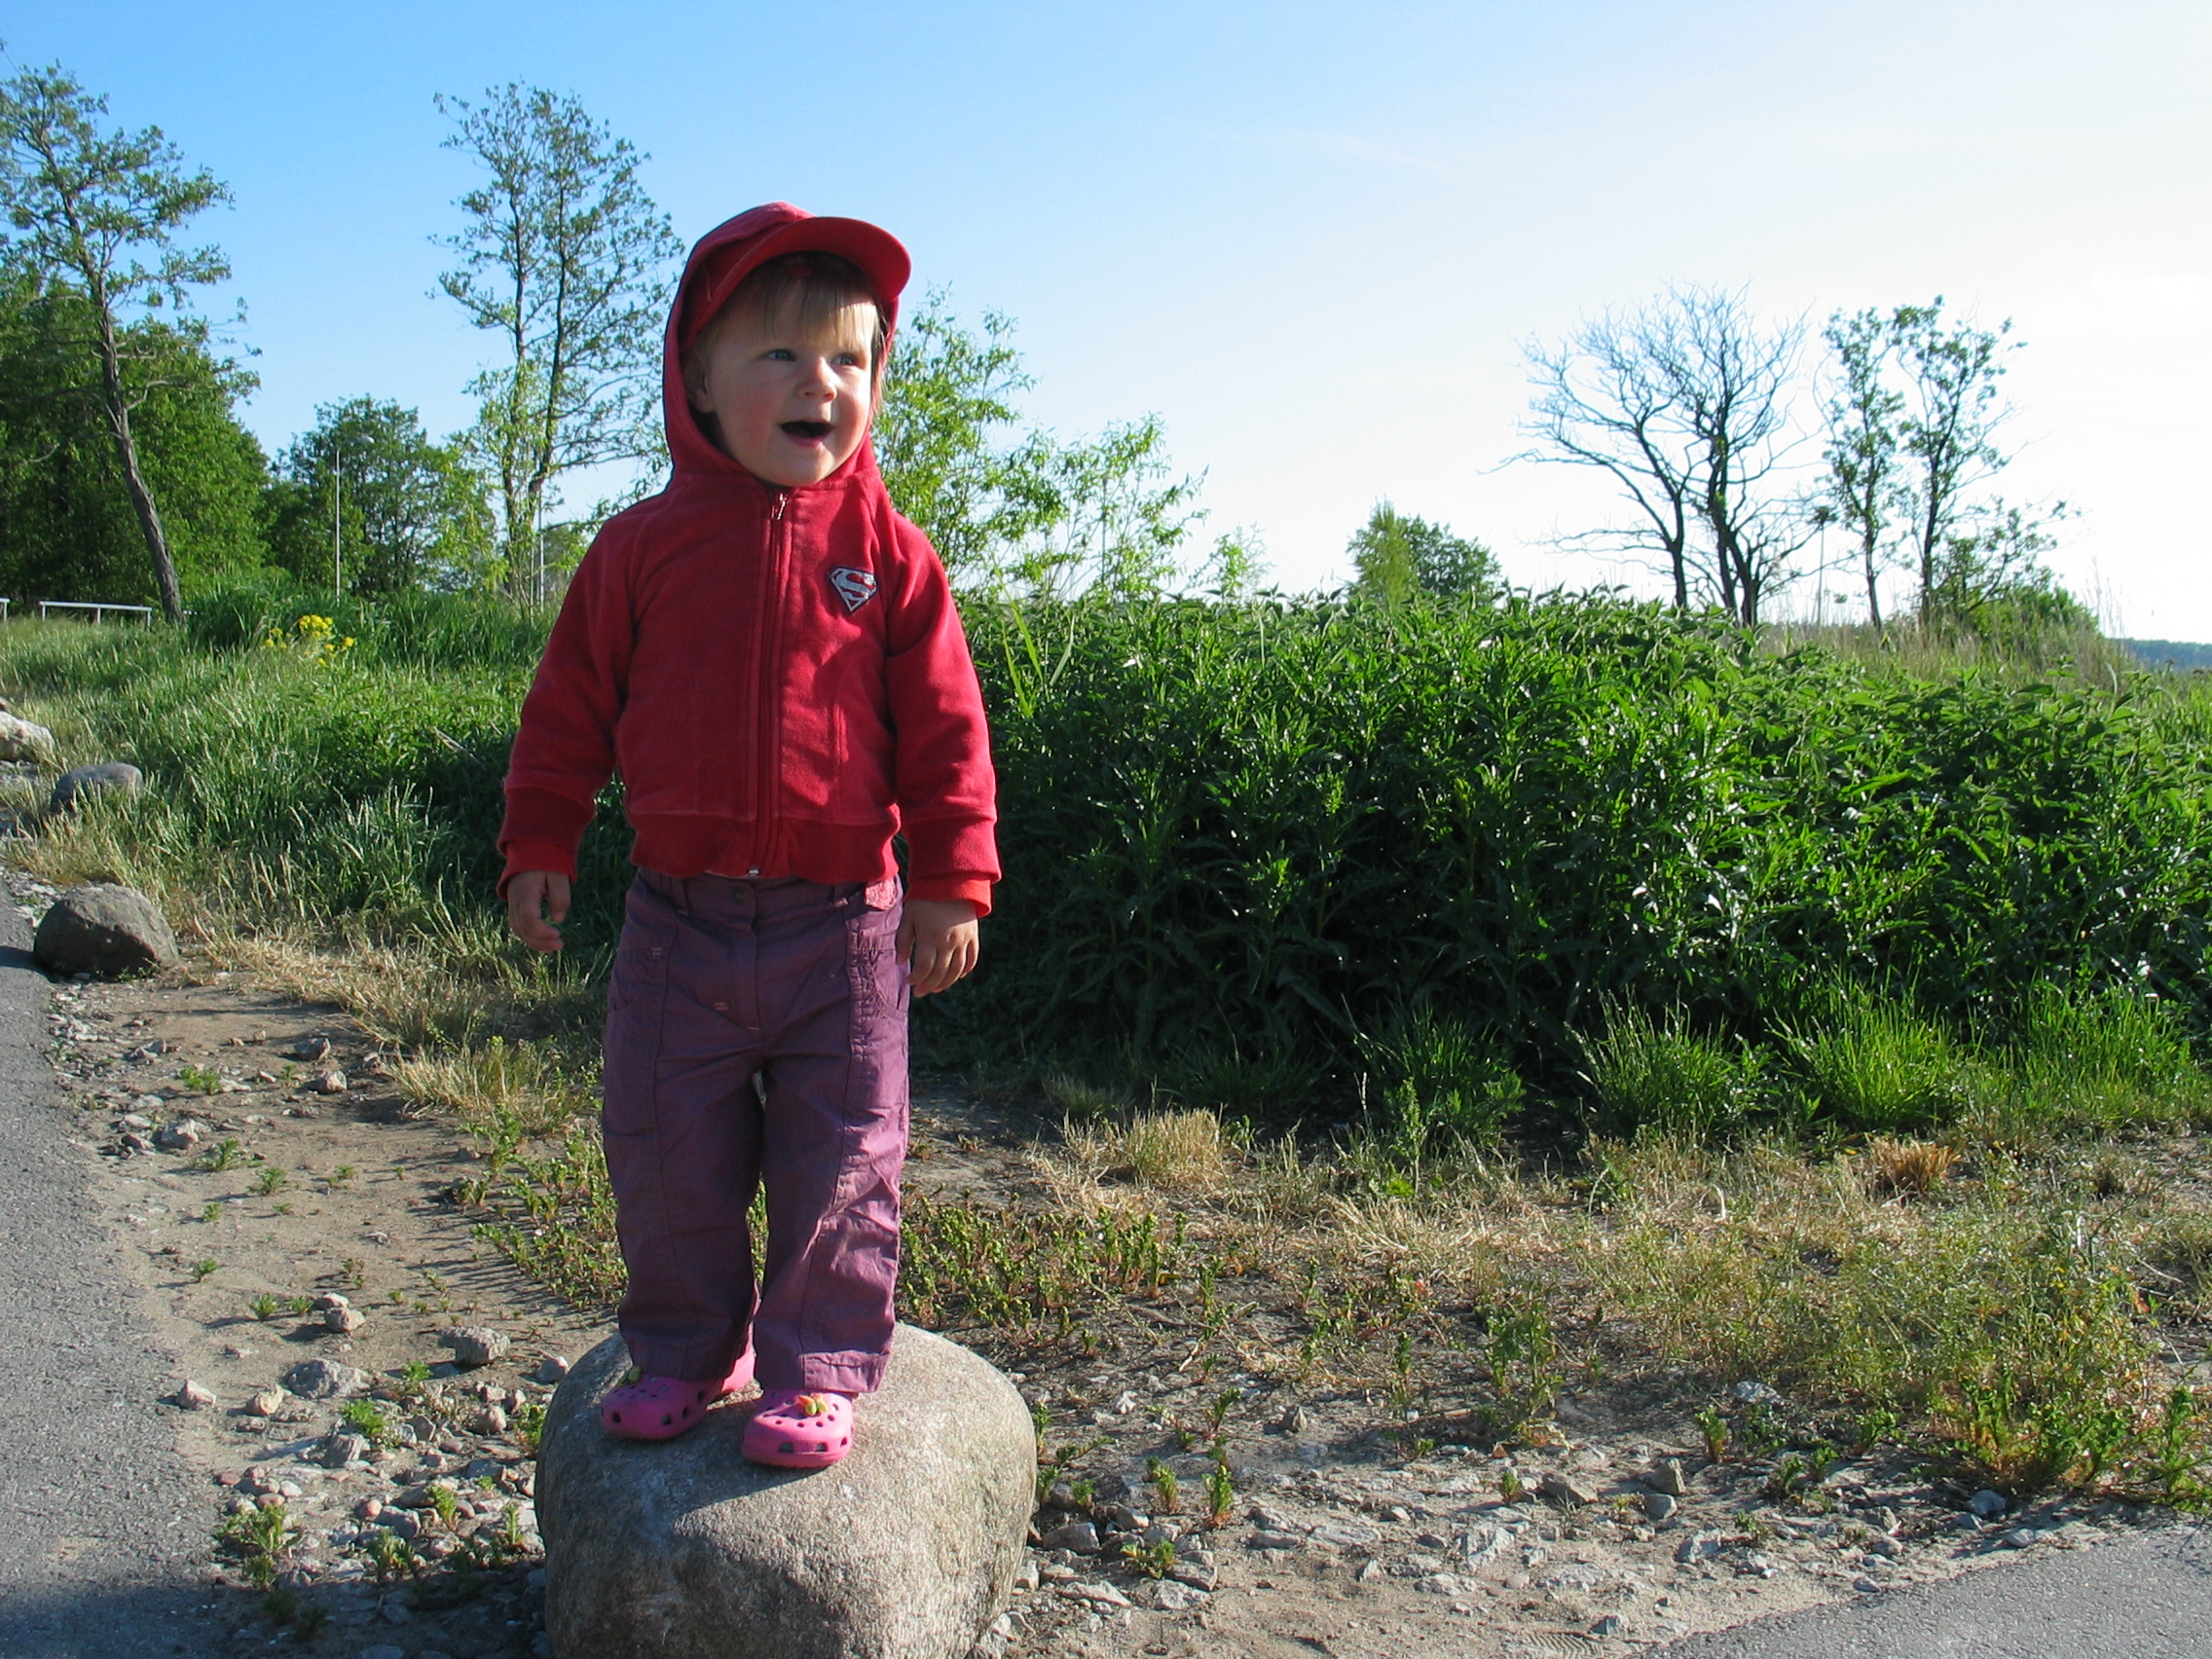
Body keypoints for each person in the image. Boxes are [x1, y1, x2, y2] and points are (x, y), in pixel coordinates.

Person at [498, 203, 998, 1467]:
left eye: (847, 357)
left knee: (845, 1156)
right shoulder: (641, 549)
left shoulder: (890, 556)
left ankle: (817, 1364)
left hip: (847, 932)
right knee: (666, 1149)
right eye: (778, 353)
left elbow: (947, 730)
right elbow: (568, 710)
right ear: (700, 380)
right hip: (680, 925)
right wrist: (541, 840)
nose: (818, 381)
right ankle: (685, 1346)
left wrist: (953, 879)